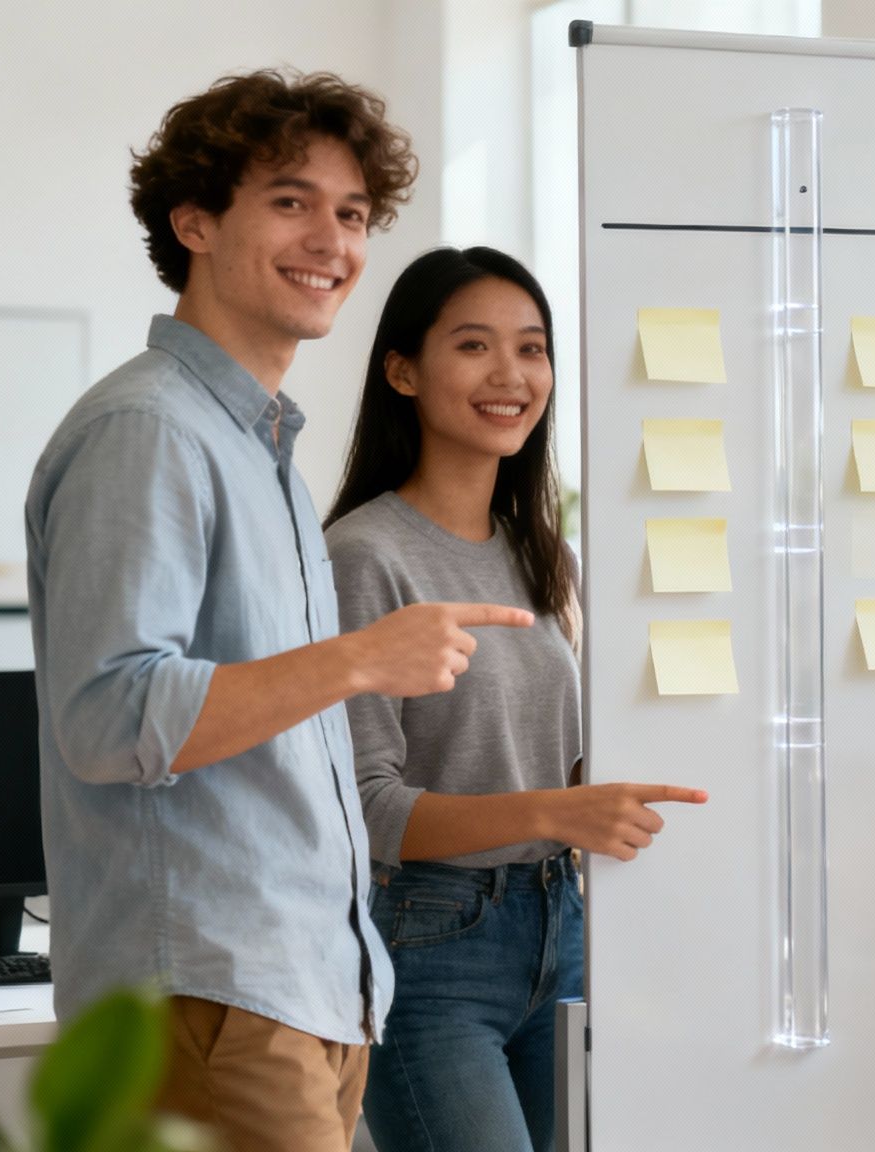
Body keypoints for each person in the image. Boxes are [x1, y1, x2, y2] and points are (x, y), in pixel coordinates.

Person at [27, 71, 534, 1152]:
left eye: (352, 215)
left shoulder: (257, 449)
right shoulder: (148, 431)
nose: (333, 242)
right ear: (196, 221)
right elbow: (110, 717)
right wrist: (358, 661)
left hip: (304, 992)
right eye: (292, 202)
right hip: (210, 993)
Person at [325, 246, 706, 1152]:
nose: (511, 375)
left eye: (532, 349)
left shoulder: (544, 554)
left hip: (564, 926)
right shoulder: (364, 555)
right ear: (403, 371)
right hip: (428, 940)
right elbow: (371, 812)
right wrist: (558, 810)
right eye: (474, 347)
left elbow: (559, 756)